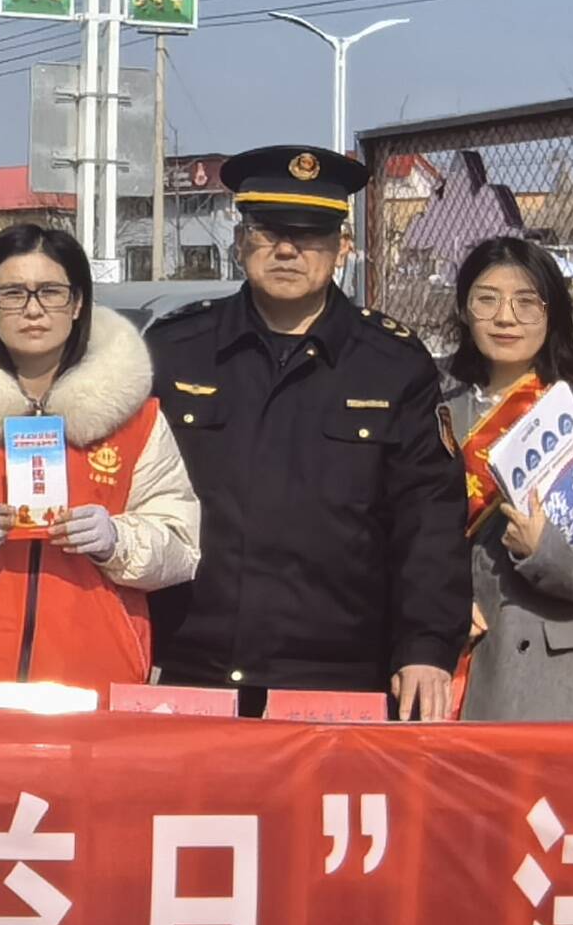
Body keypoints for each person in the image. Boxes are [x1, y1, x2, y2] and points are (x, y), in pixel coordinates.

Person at [143, 143, 457, 718]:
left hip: (338, 676)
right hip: (189, 664)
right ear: (241, 241)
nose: (287, 249)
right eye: (268, 230)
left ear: (342, 247)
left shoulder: (392, 363)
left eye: (310, 233)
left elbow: (428, 519)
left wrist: (426, 644)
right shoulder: (174, 350)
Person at [0, 220, 199, 702]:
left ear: (77, 303)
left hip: (92, 678)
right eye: (13, 293)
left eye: (51, 292)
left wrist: (118, 540)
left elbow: (180, 546)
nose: (33, 309)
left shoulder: (135, 417)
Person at [440, 235, 573, 722]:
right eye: (487, 299)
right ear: (464, 309)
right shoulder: (432, 417)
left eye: (526, 303)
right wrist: (436, 600)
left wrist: (542, 549)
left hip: (546, 674)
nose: (506, 318)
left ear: (553, 316)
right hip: (446, 659)